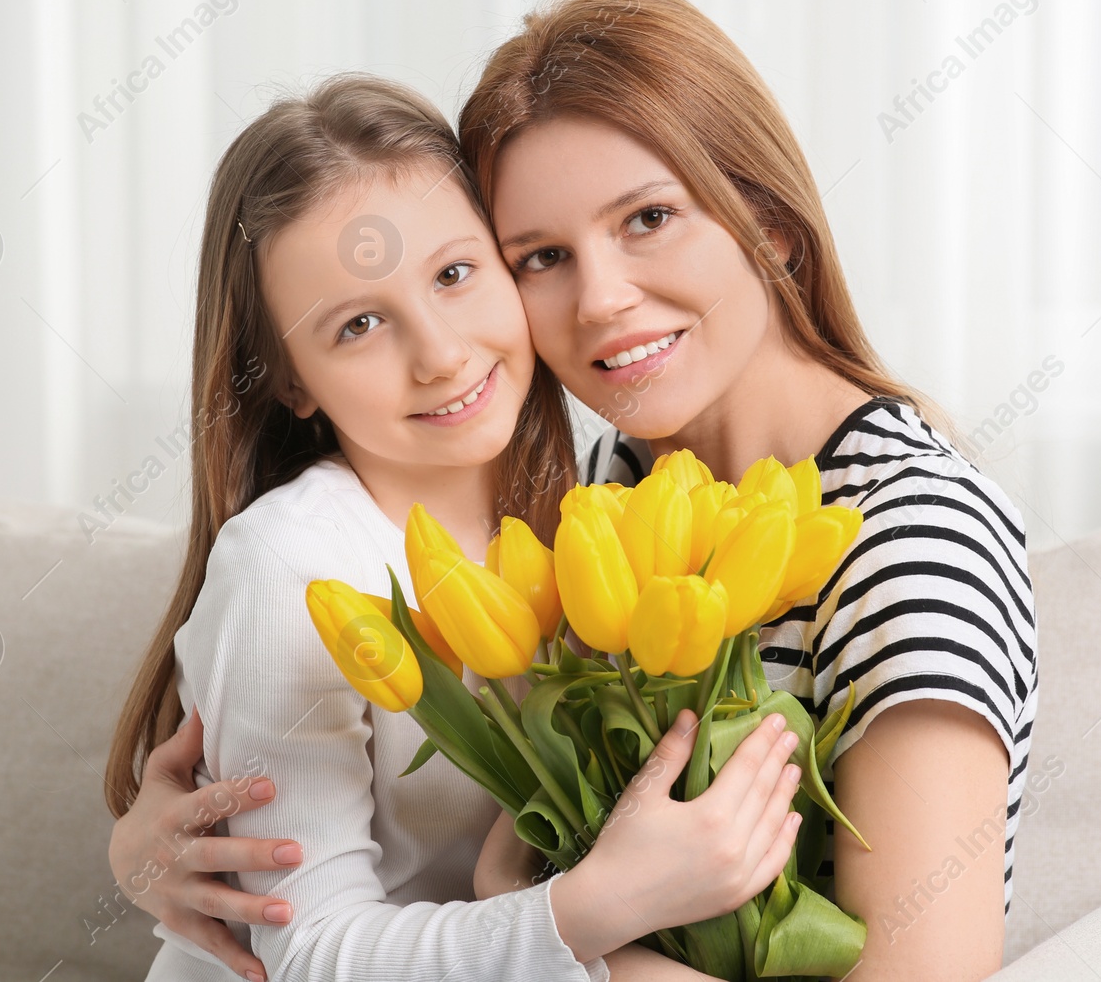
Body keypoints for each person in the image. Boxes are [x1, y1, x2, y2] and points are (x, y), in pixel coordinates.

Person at [114, 0, 1038, 982]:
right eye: (544, 255)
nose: (600, 300)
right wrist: (150, 851)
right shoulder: (602, 495)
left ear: (768, 220)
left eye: (647, 217)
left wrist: (550, 918)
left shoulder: (911, 537)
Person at [106, 73, 810, 982]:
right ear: (291, 382)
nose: (440, 355)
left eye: (453, 274)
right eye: (359, 324)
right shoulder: (294, 566)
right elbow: (308, 950)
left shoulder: (593, 508)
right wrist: (598, 904)